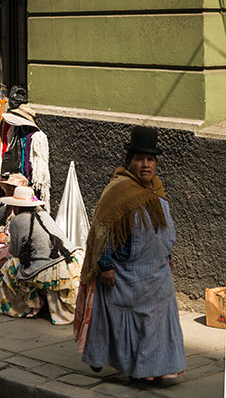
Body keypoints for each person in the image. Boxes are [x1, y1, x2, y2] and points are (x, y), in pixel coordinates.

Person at [76, 126, 186, 383]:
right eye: (139, 159)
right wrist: (104, 265)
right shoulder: (118, 190)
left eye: (150, 160)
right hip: (128, 274)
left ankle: (156, 369)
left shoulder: (156, 189)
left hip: (157, 273)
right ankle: (139, 371)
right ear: (129, 162)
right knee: (135, 321)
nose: (145, 165)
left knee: (158, 323)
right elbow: (102, 230)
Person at [0, 184, 83, 325]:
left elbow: (15, 251)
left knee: (11, 266)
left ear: (17, 206)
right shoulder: (44, 214)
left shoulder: (17, 221)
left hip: (50, 266)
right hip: (72, 260)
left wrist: (6, 239)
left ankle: (21, 307)